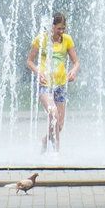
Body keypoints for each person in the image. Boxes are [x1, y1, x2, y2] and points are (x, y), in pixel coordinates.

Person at [26, 12, 79, 154]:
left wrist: (73, 71)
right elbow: (29, 61)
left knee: (59, 125)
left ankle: (45, 141)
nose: (61, 32)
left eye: (63, 28)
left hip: (60, 85)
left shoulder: (67, 40)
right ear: (52, 26)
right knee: (53, 114)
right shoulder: (41, 39)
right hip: (45, 84)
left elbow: (76, 62)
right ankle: (57, 155)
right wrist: (38, 72)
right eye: (59, 28)